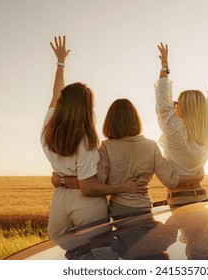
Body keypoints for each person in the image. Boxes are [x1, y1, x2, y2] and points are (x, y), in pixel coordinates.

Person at [41, 36, 143, 254]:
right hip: (86, 205)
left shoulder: (48, 127)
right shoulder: (85, 139)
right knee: (96, 253)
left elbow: (56, 93)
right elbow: (88, 188)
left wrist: (60, 63)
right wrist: (122, 187)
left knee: (63, 244)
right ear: (87, 107)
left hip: (59, 198)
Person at [53, 99, 203, 222]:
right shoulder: (151, 146)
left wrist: (62, 180)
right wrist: (198, 176)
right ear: (135, 120)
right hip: (144, 207)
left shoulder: (106, 147)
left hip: (119, 210)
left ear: (110, 121)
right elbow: (171, 181)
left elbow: (94, 184)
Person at [155, 43, 208, 207]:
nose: (174, 104)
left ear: (184, 107)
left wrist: (164, 67)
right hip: (201, 196)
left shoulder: (176, 132)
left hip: (181, 200)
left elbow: (163, 104)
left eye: (177, 103)